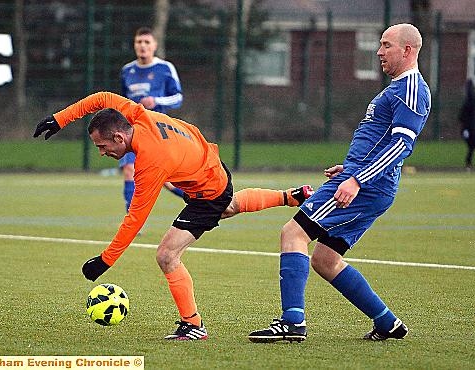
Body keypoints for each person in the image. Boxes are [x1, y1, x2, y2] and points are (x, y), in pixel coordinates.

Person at [33, 91, 313, 341]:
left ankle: (193, 325)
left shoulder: (150, 161)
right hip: (208, 164)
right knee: (229, 205)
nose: (102, 152)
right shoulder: (135, 114)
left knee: (167, 254)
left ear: (119, 137)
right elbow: (102, 98)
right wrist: (59, 119)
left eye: (102, 146)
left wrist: (105, 260)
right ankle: (289, 197)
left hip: (208, 190)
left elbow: (135, 219)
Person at [248, 23, 431, 343]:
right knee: (325, 259)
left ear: (408, 50)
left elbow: (401, 145)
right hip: (365, 180)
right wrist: (350, 167)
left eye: (386, 45)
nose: (379, 52)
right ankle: (387, 322)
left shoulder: (411, 90)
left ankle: (292, 323)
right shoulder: (396, 88)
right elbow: (381, 140)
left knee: (293, 234)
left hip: (367, 185)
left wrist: (357, 179)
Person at [120, 27, 184, 211]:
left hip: (157, 131)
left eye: (147, 42)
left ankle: (201, 202)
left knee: (166, 180)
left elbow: (178, 98)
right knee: (129, 169)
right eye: (139, 42)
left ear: (154, 45)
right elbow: (124, 101)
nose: (143, 46)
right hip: (131, 130)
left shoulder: (165, 68)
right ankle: (131, 218)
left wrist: (156, 101)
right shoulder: (127, 71)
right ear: (134, 45)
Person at [458, 79, 475, 169]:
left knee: (473, 144)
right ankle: (468, 163)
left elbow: (461, 116)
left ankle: (468, 163)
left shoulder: (469, 100)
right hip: (468, 127)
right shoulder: (470, 100)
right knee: (472, 144)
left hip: (468, 127)